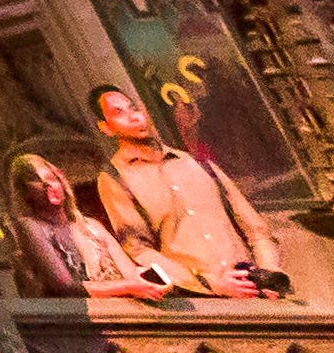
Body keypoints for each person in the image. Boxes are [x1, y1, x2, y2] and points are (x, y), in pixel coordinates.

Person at [94, 84, 289, 294]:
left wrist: (268, 273)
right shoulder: (116, 178)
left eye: (133, 108)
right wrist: (207, 282)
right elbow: (139, 250)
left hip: (252, 289)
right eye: (119, 113)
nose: (134, 117)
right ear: (106, 128)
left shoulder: (194, 162)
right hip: (199, 299)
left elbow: (256, 230)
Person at [12, 152, 195, 300]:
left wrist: (150, 279)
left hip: (122, 310)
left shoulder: (91, 225)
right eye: (38, 182)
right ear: (25, 192)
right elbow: (65, 286)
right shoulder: (31, 226)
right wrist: (128, 287)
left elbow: (129, 272)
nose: (49, 187)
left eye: (52, 178)